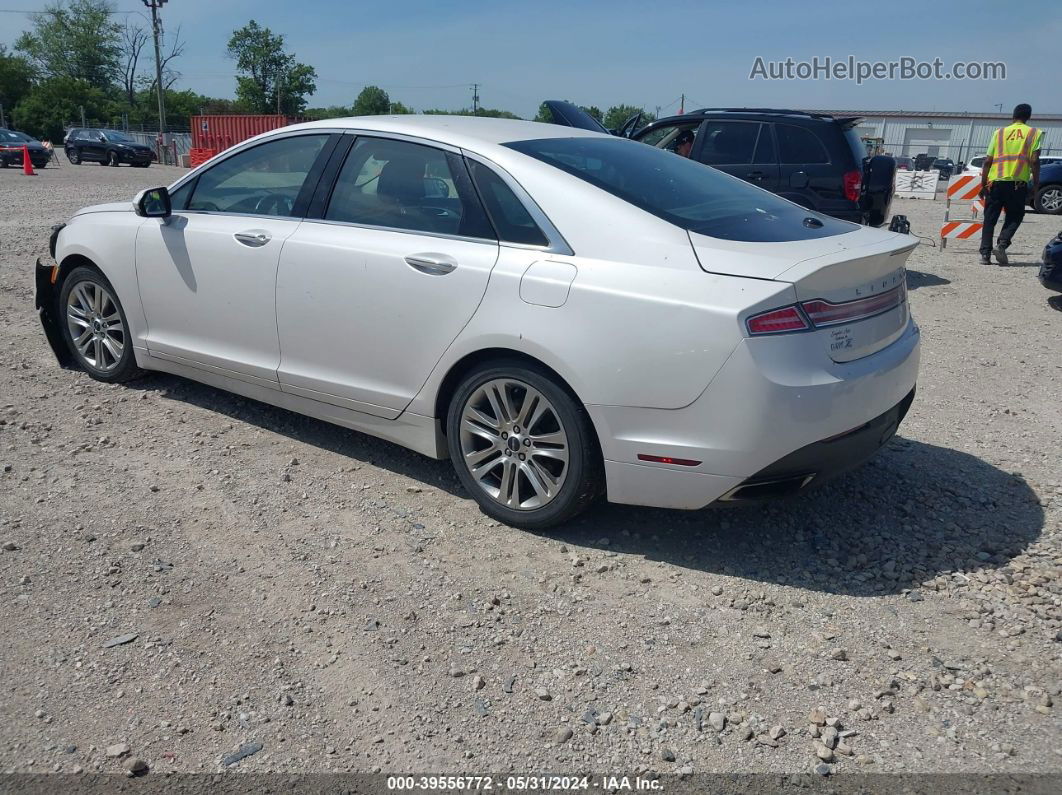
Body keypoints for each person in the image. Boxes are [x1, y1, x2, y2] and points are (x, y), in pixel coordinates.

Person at [978, 103, 1042, 265]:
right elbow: (1034, 161)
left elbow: (987, 161)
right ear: (1028, 117)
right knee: (1015, 215)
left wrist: (983, 184)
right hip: (1017, 184)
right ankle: (1002, 243)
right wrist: (1035, 184)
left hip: (995, 183)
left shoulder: (999, 133)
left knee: (989, 219)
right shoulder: (1034, 133)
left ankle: (985, 255)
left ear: (1013, 116)